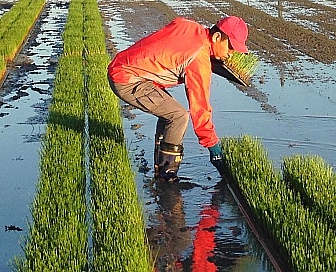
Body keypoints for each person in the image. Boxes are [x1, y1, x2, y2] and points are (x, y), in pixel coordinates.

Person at [107, 16, 249, 181]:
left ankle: (160, 167)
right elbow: (200, 106)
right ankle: (167, 176)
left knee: (169, 112)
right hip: (127, 78)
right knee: (178, 116)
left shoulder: (191, 27)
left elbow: (177, 24)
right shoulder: (198, 58)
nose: (231, 54)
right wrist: (213, 147)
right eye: (230, 47)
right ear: (217, 37)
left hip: (125, 67)